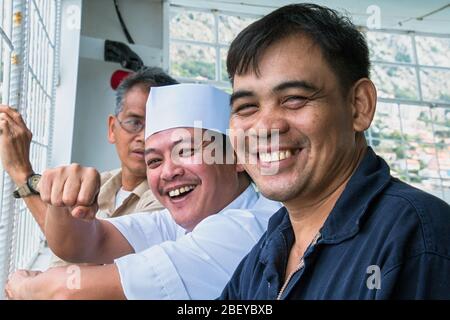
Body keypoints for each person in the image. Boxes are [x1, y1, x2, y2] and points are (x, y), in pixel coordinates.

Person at [220, 3, 450, 299]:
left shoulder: (415, 238)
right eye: (247, 107)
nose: (265, 126)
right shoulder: (273, 245)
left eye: (294, 99)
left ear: (359, 106)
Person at [5, 84, 281, 299]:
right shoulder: (184, 222)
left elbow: (68, 291)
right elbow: (83, 243)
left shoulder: (247, 228)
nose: (168, 171)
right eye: (154, 161)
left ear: (235, 158)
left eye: (185, 150)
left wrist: (23, 286)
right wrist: (63, 202)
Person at [0, 67, 177, 231]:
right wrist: (27, 179)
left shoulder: (171, 199)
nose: (144, 137)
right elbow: (61, 233)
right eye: (134, 122)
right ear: (112, 129)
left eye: (158, 127)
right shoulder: (102, 182)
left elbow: (74, 245)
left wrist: (20, 170)